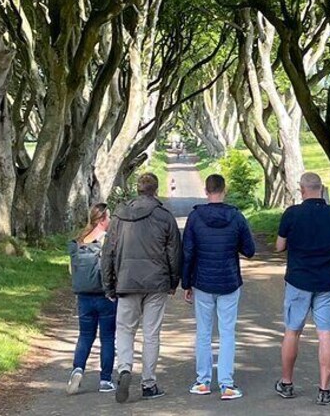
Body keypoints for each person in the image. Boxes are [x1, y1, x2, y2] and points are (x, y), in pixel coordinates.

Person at [101, 172, 182, 403]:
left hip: (126, 282)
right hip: (156, 283)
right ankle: (148, 384)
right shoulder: (165, 216)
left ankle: (124, 369)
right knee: (151, 334)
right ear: (155, 191)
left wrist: (108, 285)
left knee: (125, 330)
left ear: (137, 190)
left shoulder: (119, 216)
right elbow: (174, 252)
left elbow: (108, 252)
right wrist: (174, 281)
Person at [274, 172, 330, 406]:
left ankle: (286, 383)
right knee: (325, 334)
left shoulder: (292, 214)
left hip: (298, 280)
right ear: (322, 188)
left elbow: (279, 247)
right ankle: (324, 389)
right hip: (327, 281)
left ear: (302, 189)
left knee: (292, 330)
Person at [182, 174, 256, 400]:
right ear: (225, 190)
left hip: (203, 282)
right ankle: (227, 384)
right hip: (229, 281)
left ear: (206, 191)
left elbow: (188, 253)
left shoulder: (195, 217)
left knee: (203, 333)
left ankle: (203, 381)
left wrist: (186, 283)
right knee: (227, 333)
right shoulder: (236, 217)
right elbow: (250, 250)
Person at [67, 203, 117, 395]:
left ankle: (77, 369)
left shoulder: (79, 241)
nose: (111, 221)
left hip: (84, 297)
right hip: (105, 297)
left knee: (85, 336)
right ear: (103, 220)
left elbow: (73, 270)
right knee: (107, 338)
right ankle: (105, 380)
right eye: (109, 217)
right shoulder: (107, 241)